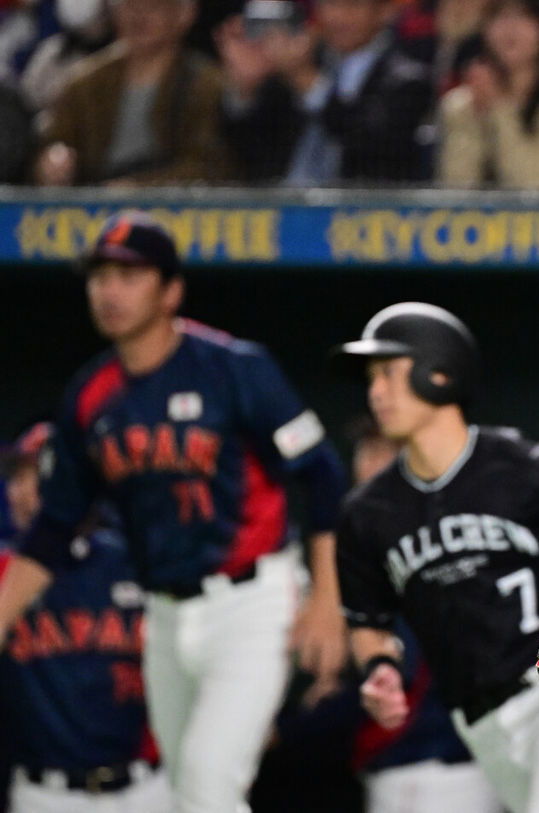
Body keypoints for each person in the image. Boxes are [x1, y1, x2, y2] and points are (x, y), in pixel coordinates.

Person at [0, 211, 348, 813]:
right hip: (162, 614)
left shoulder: (235, 368)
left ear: (171, 291)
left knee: (210, 784)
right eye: (99, 277)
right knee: (184, 792)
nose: (109, 291)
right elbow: (54, 531)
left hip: (250, 602)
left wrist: (328, 598)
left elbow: (322, 475)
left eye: (129, 276)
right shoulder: (89, 397)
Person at [333, 302, 539, 813]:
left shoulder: (525, 467)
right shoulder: (368, 512)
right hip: (480, 727)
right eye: (371, 377)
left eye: (388, 371)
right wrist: (379, 664)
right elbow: (368, 617)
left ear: (439, 370)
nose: (375, 391)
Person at [0, 422, 174, 813]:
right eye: (16, 478)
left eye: (38, 477)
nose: (22, 492)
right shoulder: (4, 575)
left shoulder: (134, 562)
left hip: (147, 788)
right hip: (46, 795)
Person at [218, 0, 434, 185]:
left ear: (384, 11)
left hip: (362, 221)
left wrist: (309, 83)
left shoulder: (407, 76)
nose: (337, 16)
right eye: (330, 3)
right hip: (282, 213)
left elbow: (372, 142)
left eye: (353, 5)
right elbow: (249, 149)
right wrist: (245, 90)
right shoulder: (300, 61)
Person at [33, 0, 232, 186]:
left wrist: (140, 187)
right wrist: (51, 160)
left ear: (184, 15)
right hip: (93, 208)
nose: (140, 17)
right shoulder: (84, 82)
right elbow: (52, 141)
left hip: (176, 211)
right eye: (130, 6)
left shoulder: (207, 84)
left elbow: (208, 164)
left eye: (153, 7)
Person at [436, 0, 539, 189]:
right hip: (479, 219)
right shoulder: (461, 103)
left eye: (523, 16)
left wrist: (500, 109)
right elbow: (456, 188)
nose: (511, 28)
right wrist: (476, 117)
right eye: (499, 16)